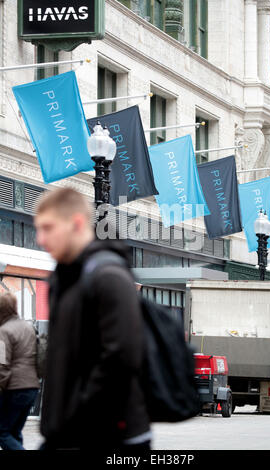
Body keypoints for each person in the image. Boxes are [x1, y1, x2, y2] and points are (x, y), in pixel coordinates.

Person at [34, 187, 151, 452]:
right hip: (65, 433)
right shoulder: (62, 280)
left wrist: (80, 412)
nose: (40, 238)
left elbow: (122, 355)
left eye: (48, 227)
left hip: (105, 436)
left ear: (76, 223)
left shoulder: (108, 276)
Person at [0, 292, 40, 450]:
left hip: (14, 389)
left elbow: (2, 365)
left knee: (2, 432)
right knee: (14, 431)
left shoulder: (3, 331)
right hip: (32, 388)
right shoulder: (28, 327)